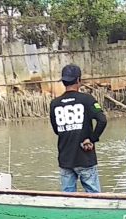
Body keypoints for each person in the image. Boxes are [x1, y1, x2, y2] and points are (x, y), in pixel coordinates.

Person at [48, 64, 107, 194]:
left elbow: (56, 130)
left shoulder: (54, 104)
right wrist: (91, 139)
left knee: (68, 198)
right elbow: (102, 120)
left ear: (63, 81)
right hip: (85, 155)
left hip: (65, 157)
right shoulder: (87, 99)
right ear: (79, 80)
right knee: (94, 195)